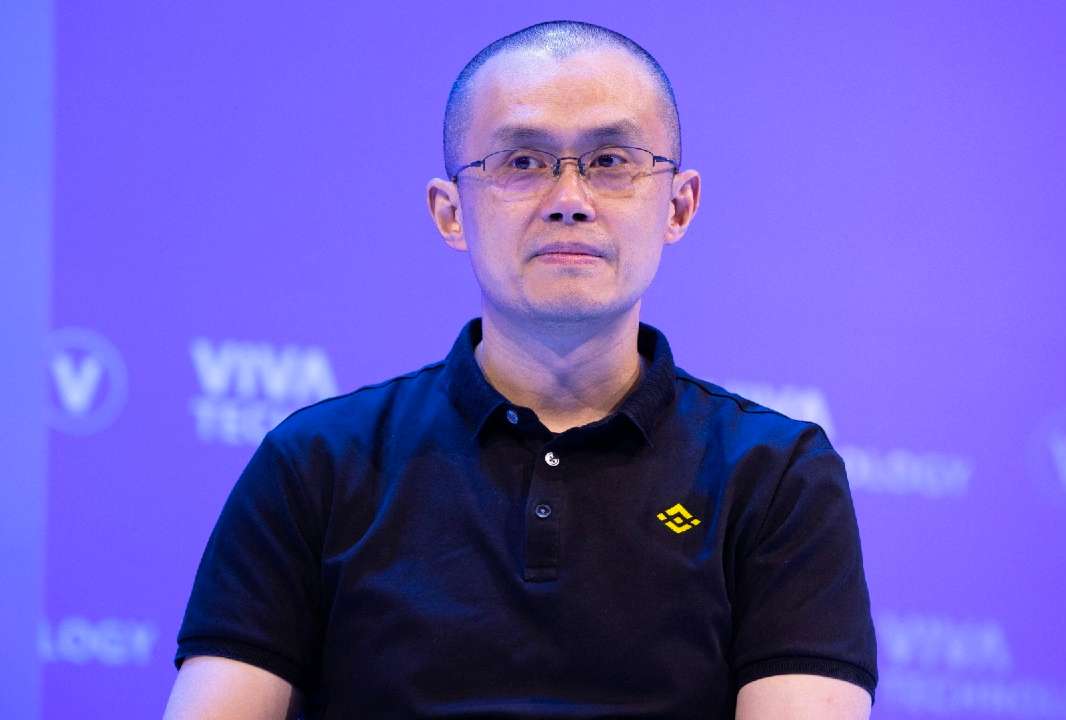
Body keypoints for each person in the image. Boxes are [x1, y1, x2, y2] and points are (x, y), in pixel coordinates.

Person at [164, 20, 876, 720]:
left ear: (678, 206)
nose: (569, 201)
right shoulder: (317, 462)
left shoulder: (775, 476)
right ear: (450, 213)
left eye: (610, 161)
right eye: (523, 163)